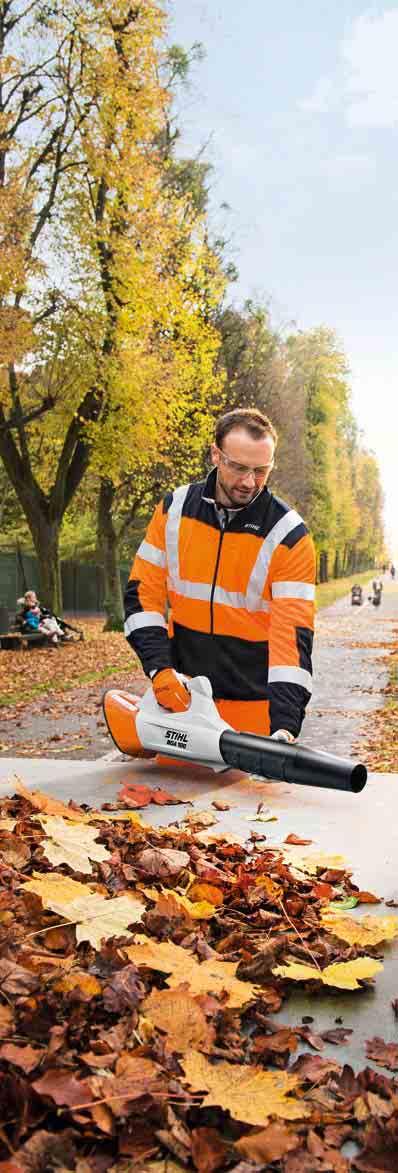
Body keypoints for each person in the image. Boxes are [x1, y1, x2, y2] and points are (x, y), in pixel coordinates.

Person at [124, 408, 316, 743]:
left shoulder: (288, 534)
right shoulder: (175, 509)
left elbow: (292, 636)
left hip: (254, 715)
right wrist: (159, 669)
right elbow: (143, 596)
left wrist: (285, 724)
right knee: (174, 794)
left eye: (261, 471)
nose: (248, 482)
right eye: (239, 467)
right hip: (181, 705)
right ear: (216, 454)